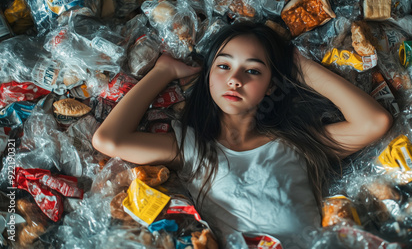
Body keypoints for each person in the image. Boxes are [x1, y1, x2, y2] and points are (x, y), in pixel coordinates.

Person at [92, 22, 393, 247]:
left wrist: (298, 66)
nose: (235, 80)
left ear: (272, 86)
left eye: (253, 71)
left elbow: (374, 122)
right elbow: (109, 140)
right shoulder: (191, 148)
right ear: (208, 76)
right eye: (224, 66)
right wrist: (163, 72)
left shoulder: (296, 144)